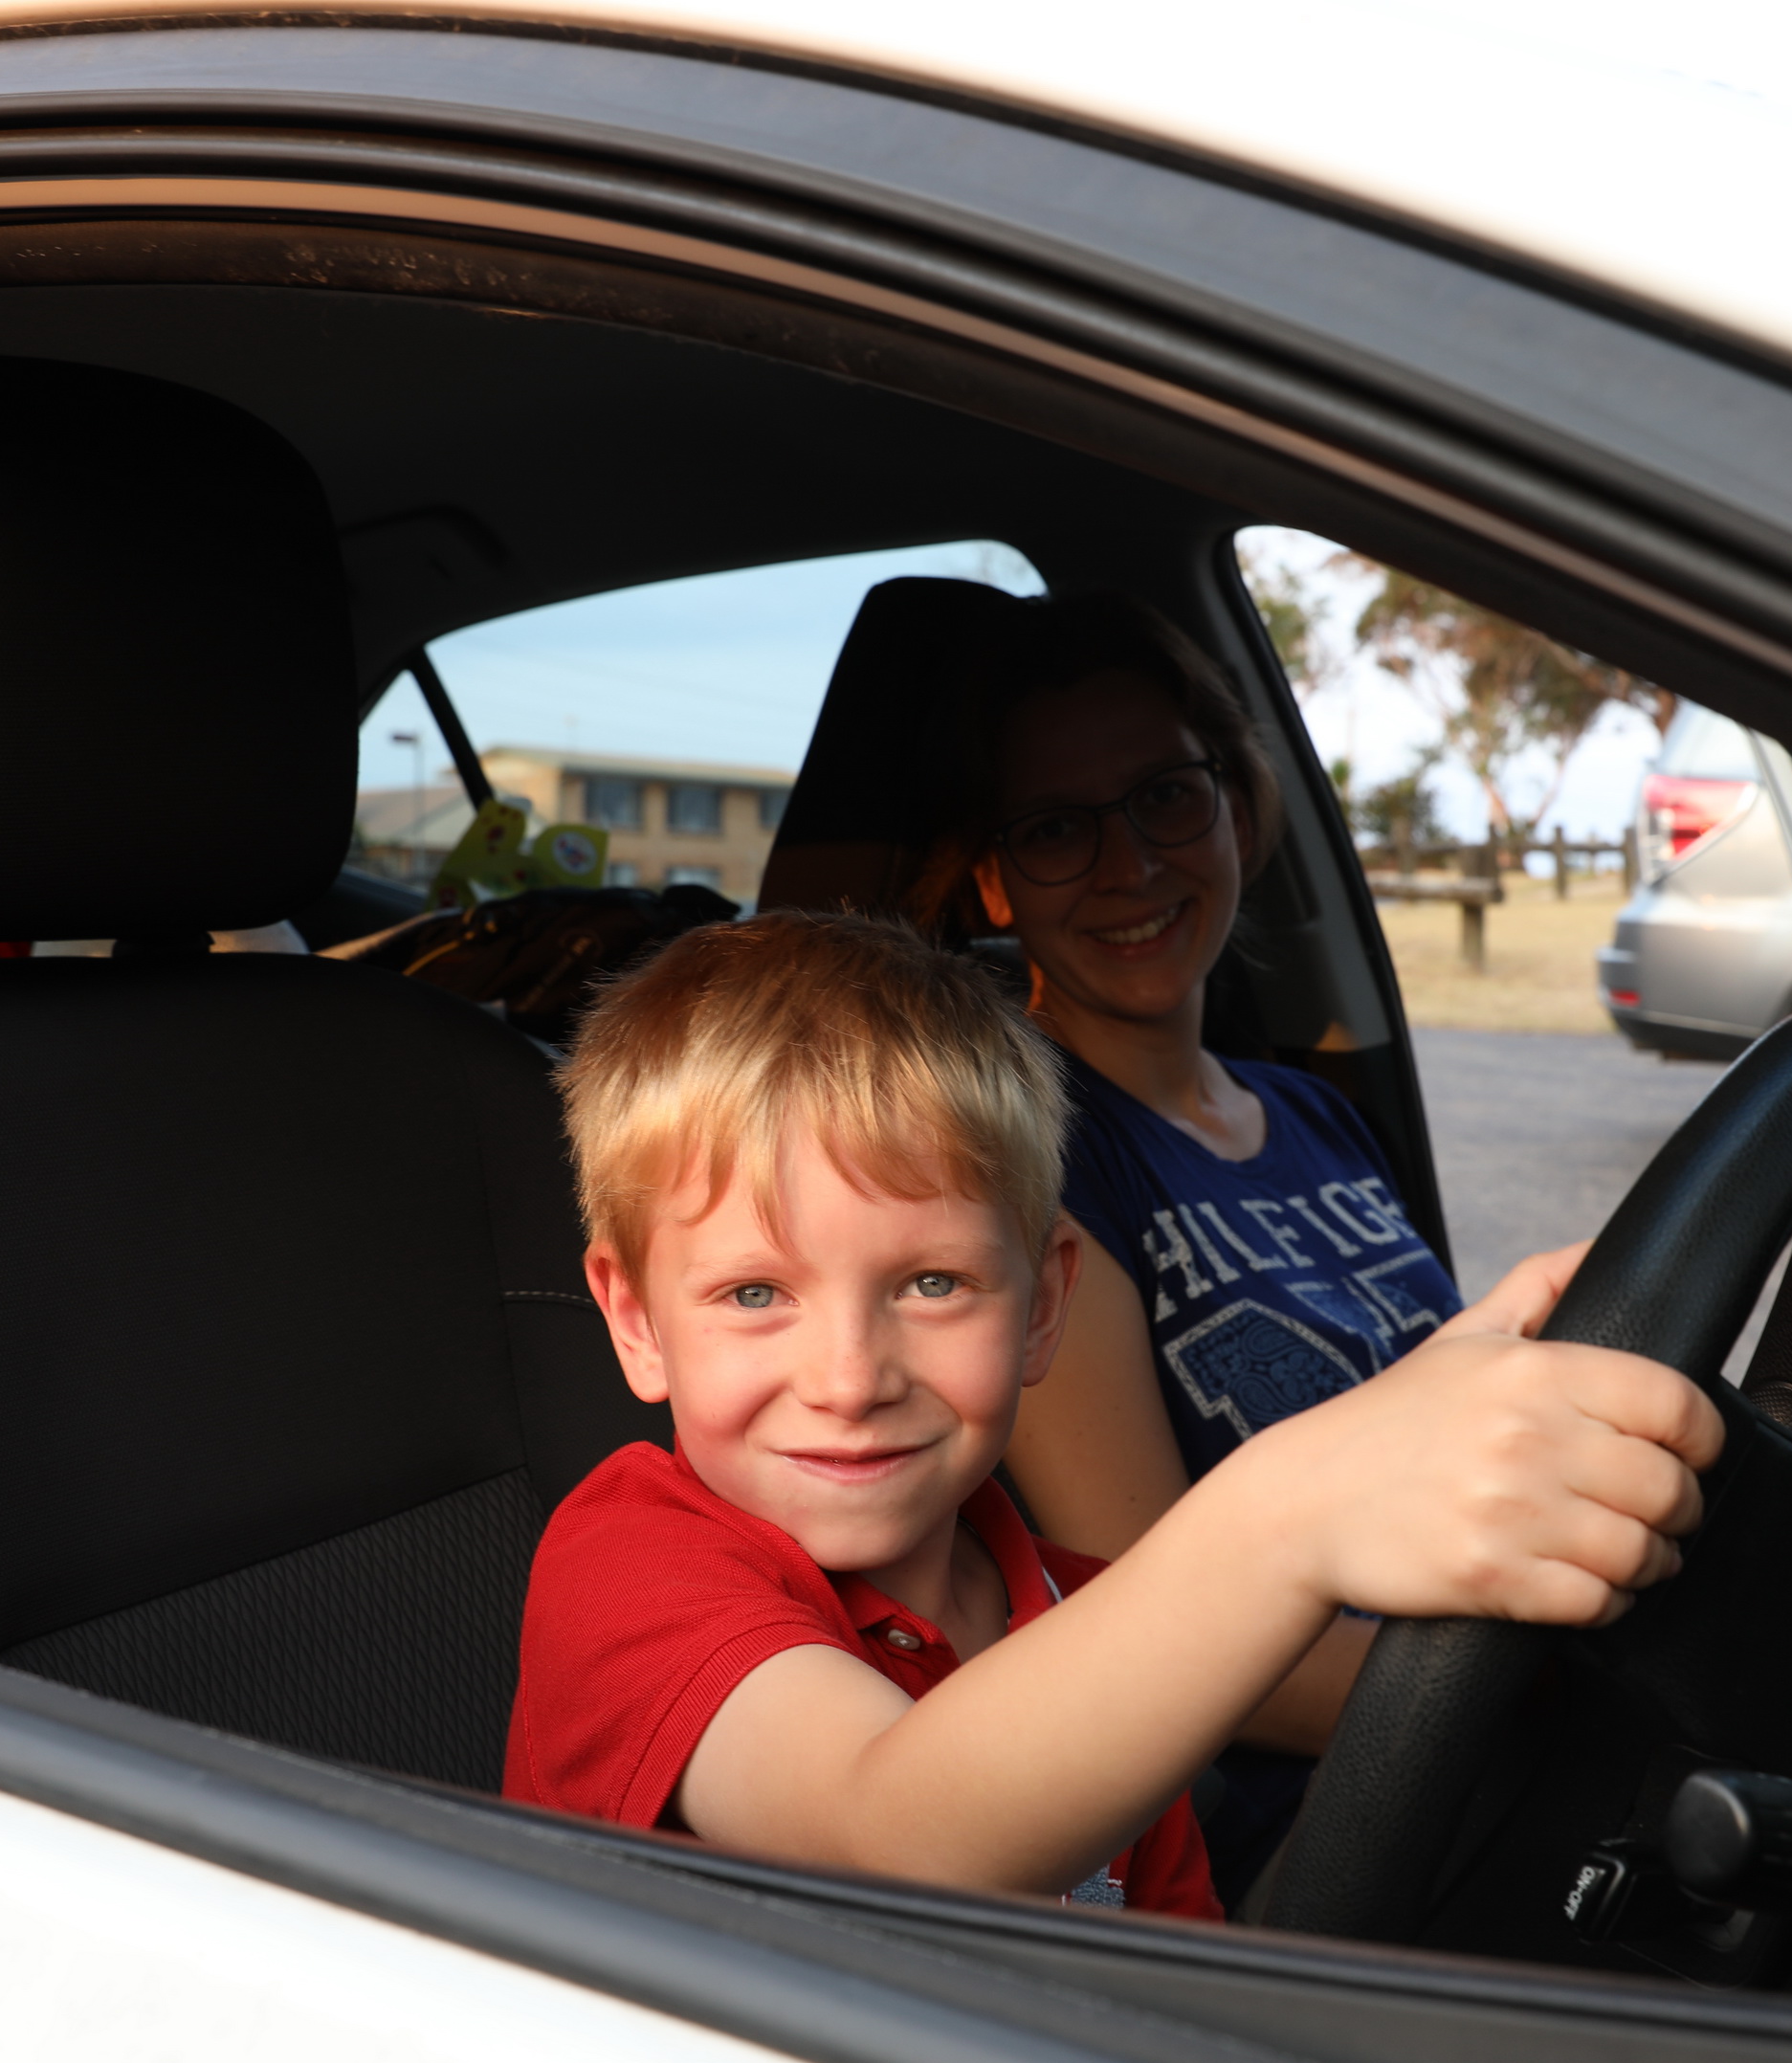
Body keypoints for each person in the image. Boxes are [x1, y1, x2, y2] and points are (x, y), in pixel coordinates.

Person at [503, 913, 1717, 1917]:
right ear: (637, 1321)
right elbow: (887, 1833)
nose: (849, 1375)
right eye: (755, 1293)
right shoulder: (633, 1566)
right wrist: (1297, 1507)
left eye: (933, 1284)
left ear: (1044, 1309)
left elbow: (1177, 1958)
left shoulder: (1068, 1607)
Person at [915, 592, 1590, 1892]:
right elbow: (1154, 1627)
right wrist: (1559, 1691)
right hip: (1354, 1830)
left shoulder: (1317, 1114)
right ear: (994, 877)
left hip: (1505, 1723)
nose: (1131, 866)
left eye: (1168, 796)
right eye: (1059, 830)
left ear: (1234, 802)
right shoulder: (1031, 1169)